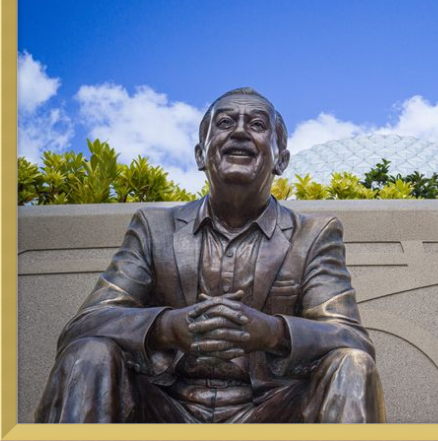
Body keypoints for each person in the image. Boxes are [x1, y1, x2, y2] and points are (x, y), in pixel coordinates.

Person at [35, 87, 386, 423]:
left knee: (352, 364)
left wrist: (272, 332)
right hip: (163, 409)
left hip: (272, 411)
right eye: (225, 122)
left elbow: (350, 337)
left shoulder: (313, 235)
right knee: (88, 352)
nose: (240, 132)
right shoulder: (154, 227)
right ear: (200, 154)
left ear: (281, 159)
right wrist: (167, 327)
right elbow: (86, 324)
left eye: (258, 125)